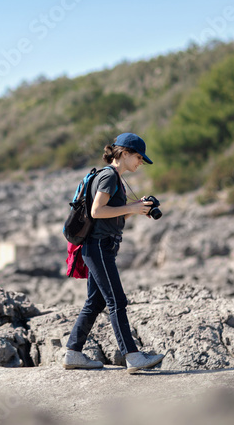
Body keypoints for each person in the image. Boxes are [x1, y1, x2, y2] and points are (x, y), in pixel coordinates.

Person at [62, 132, 165, 373]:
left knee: (95, 301)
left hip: (99, 245)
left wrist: (137, 209)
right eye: (139, 157)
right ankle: (132, 356)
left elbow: (110, 213)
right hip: (98, 246)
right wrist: (132, 206)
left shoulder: (112, 177)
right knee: (117, 301)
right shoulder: (109, 176)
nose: (141, 162)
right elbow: (97, 211)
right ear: (124, 153)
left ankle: (72, 353)